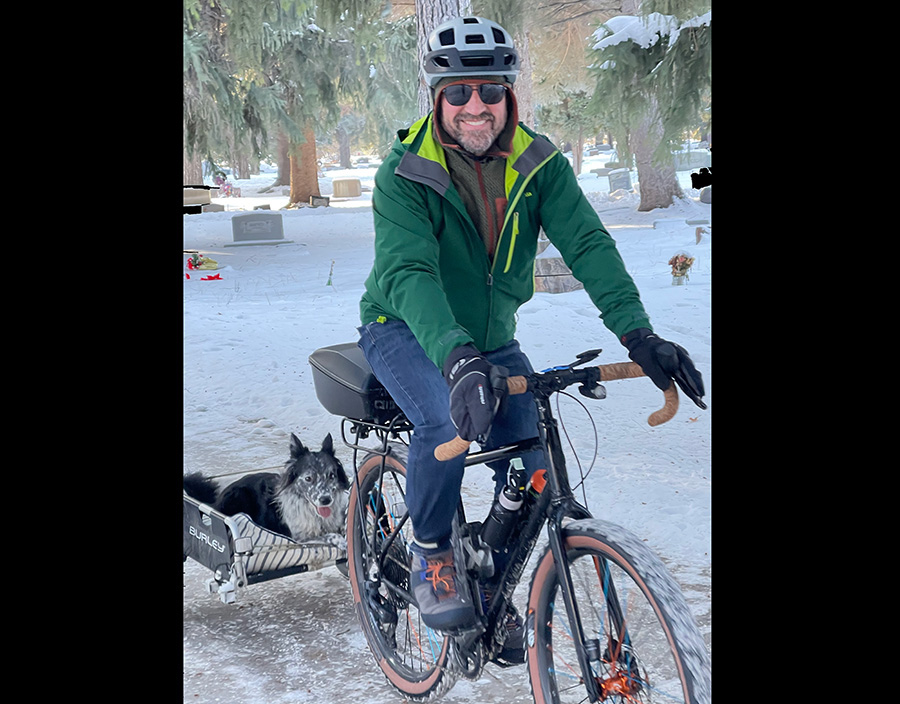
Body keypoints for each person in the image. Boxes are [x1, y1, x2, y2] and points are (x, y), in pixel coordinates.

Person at [357, 15, 705, 655]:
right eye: (458, 93)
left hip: (487, 340)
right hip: (404, 329)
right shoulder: (403, 174)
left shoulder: (538, 164)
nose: (475, 106)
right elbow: (409, 274)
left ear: (509, 95)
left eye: (489, 90)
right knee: (445, 423)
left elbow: (589, 244)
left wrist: (638, 334)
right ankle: (432, 551)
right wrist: (457, 357)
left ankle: (491, 587)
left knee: (534, 463)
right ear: (437, 98)